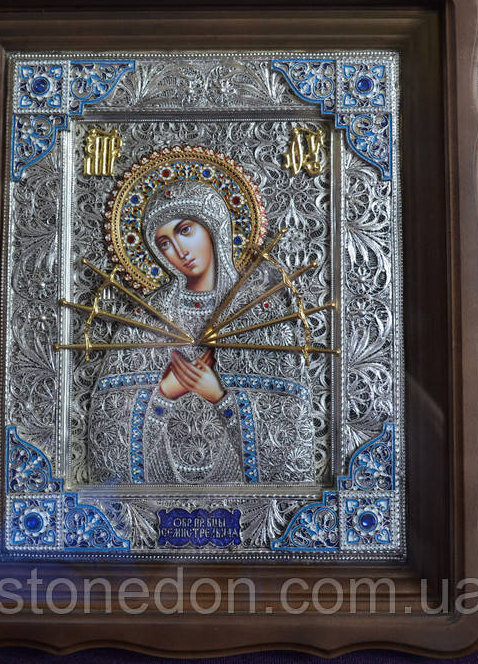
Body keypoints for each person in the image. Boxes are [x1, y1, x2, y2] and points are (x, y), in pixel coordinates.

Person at [88, 179, 316, 485]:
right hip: (156, 495)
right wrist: (164, 395)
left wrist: (220, 397)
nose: (179, 250)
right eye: (164, 243)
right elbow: (108, 437)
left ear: (214, 230)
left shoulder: (260, 315)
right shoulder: (146, 318)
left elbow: (292, 435)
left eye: (185, 230)